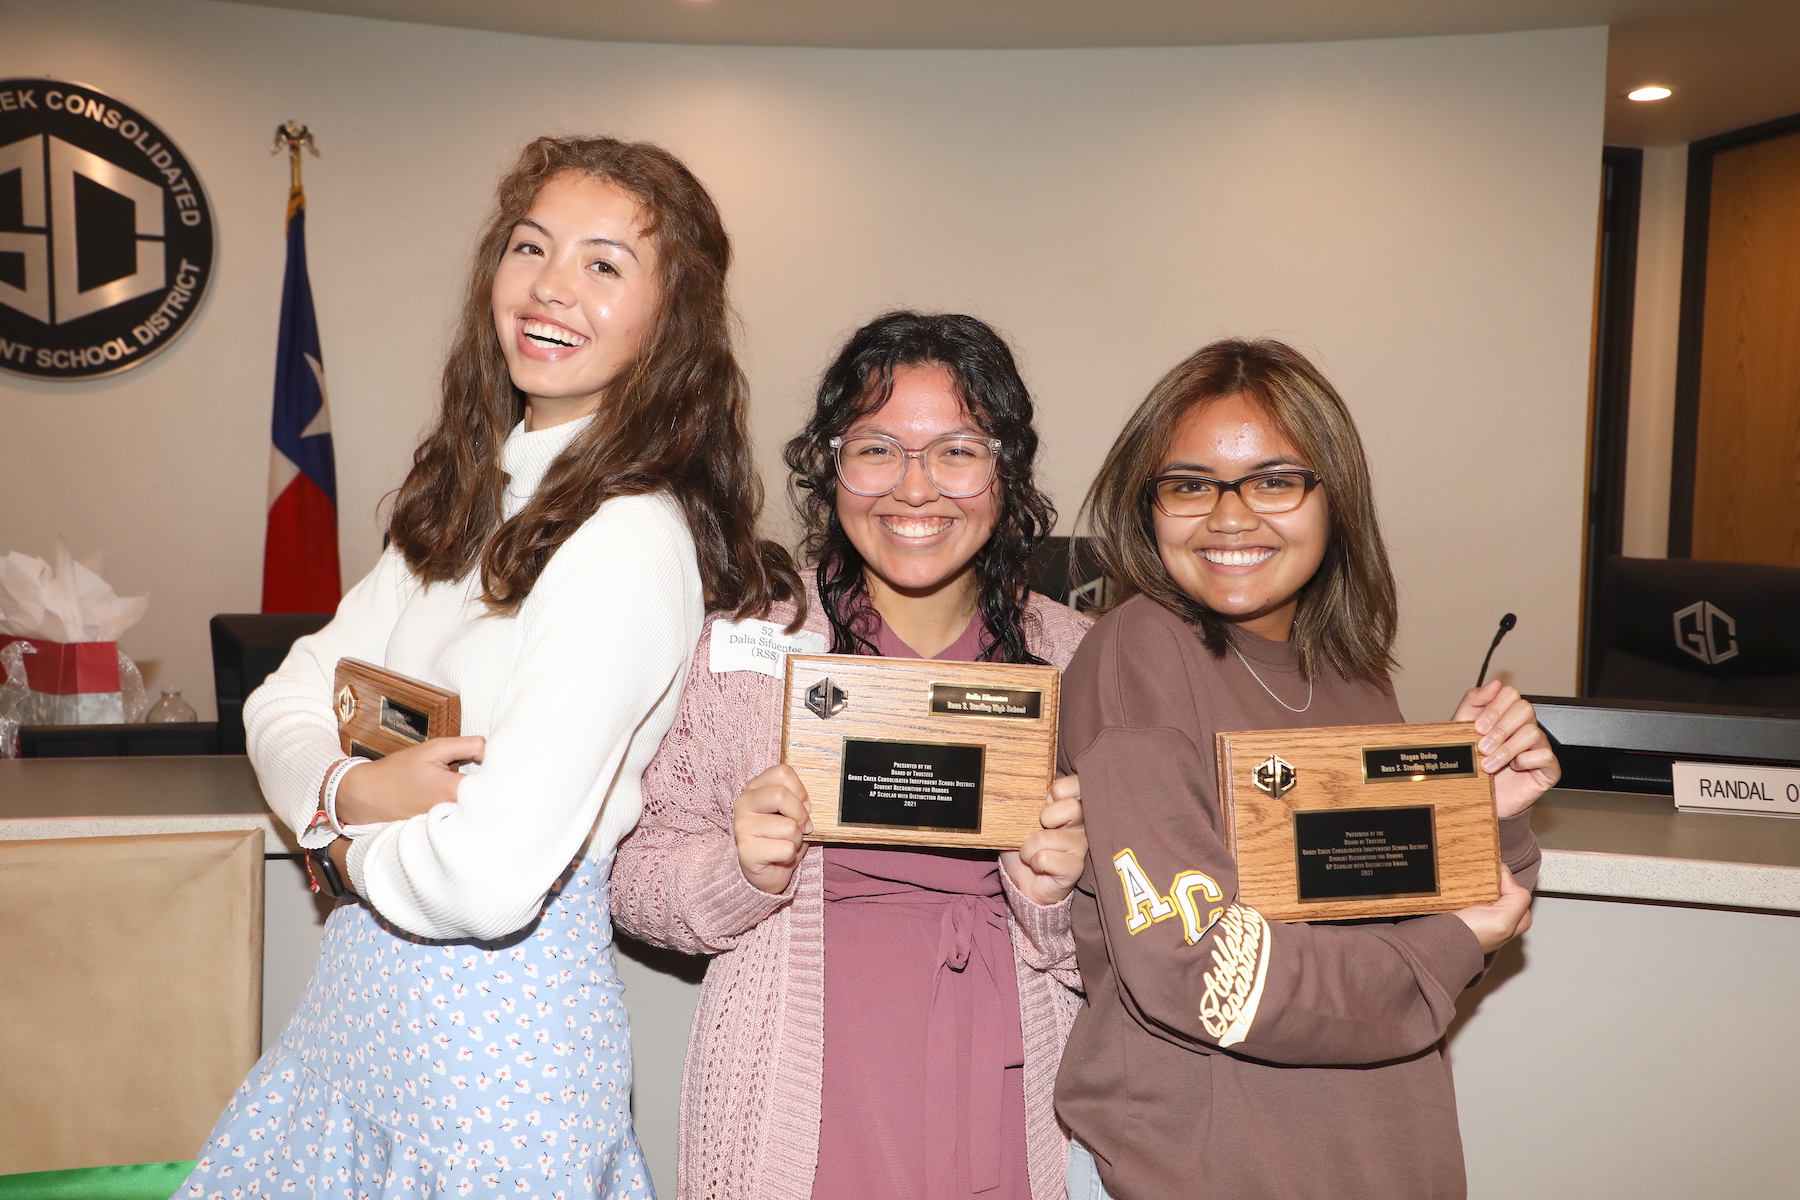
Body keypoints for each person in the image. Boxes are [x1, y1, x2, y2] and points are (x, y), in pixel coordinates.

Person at [180, 135, 798, 1200]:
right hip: (362, 1020)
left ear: (671, 323)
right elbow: (286, 692)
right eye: (531, 246)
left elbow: (487, 877)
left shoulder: (625, 535)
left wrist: (343, 834)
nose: (551, 287)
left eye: (605, 264)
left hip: (491, 1066)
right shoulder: (473, 489)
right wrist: (351, 786)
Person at [1056, 338, 1557, 1200]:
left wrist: (1487, 812)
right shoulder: (1137, 652)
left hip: (1377, 1152)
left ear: (1335, 498)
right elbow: (1210, 971)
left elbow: (1434, 900)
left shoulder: (1356, 672)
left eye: (1274, 480)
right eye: (1189, 484)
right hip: (1205, 1168)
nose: (1229, 516)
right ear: (1150, 507)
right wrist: (1446, 944)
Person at [611, 311, 1091, 1200]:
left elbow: (1148, 936)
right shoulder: (749, 647)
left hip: (1011, 1100)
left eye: (957, 450)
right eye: (876, 449)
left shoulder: (1079, 658)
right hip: (805, 1114)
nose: (915, 489)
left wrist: (1060, 898)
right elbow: (631, 879)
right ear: (831, 467)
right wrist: (735, 869)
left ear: (1006, 471)